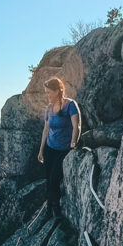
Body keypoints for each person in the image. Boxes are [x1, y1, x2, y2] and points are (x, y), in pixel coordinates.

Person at [37, 77, 80, 220]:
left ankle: (56, 208)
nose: (47, 95)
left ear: (57, 91)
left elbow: (76, 126)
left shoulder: (70, 105)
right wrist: (41, 150)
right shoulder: (48, 108)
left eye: (49, 92)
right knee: (49, 179)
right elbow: (45, 129)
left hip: (63, 149)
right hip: (50, 148)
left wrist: (73, 143)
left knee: (55, 178)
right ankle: (50, 208)